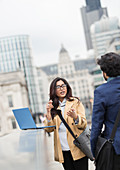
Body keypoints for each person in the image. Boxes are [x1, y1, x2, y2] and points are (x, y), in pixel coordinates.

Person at [44, 77, 88, 170]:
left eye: (64, 85)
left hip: (78, 148)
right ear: (53, 90)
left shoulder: (75, 102)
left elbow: (84, 124)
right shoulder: (53, 107)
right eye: (58, 87)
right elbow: (48, 129)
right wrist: (48, 112)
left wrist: (75, 117)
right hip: (64, 151)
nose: (62, 88)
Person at [90, 52, 120, 169]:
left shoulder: (101, 92)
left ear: (105, 73)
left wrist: (94, 152)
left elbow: (96, 126)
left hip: (115, 149)